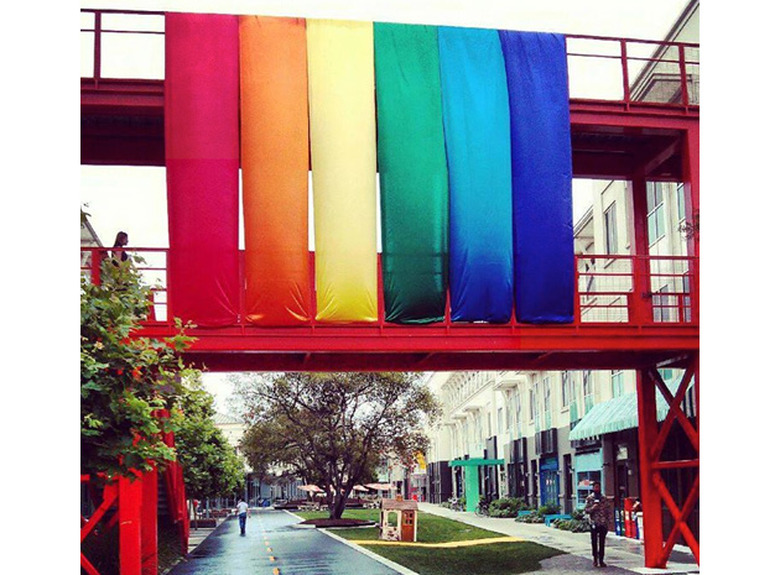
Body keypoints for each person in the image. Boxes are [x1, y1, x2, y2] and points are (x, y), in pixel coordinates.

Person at [584, 482, 612, 568]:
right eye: (595, 487)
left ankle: (601, 560)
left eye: (598, 487)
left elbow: (608, 510)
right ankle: (595, 559)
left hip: (603, 523)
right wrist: (593, 508)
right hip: (594, 522)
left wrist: (609, 521)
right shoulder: (590, 498)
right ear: (593, 488)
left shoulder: (604, 498)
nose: (597, 488)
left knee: (602, 542)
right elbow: (586, 510)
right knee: (594, 541)